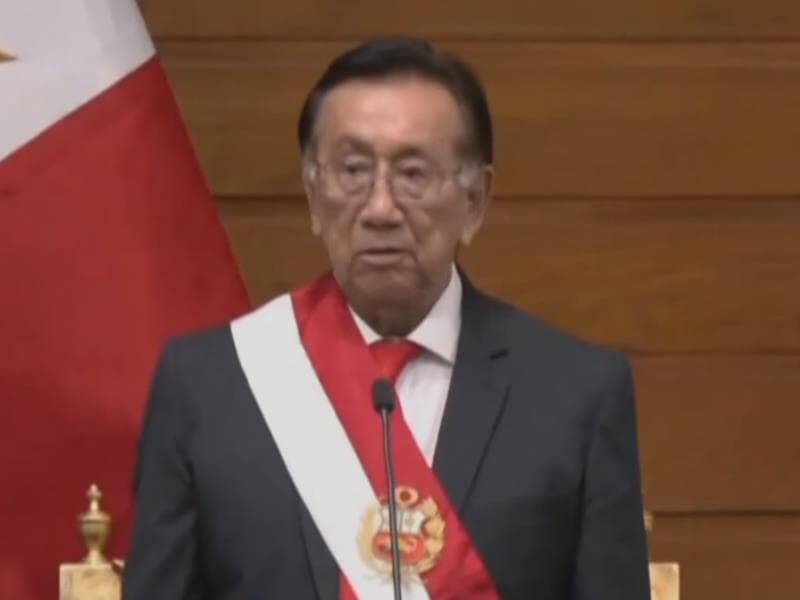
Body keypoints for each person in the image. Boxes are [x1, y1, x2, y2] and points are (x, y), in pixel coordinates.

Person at [122, 37, 651, 600]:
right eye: (352, 170)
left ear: (475, 202)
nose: (379, 208)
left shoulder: (576, 394)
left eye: (413, 174)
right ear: (313, 196)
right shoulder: (209, 386)